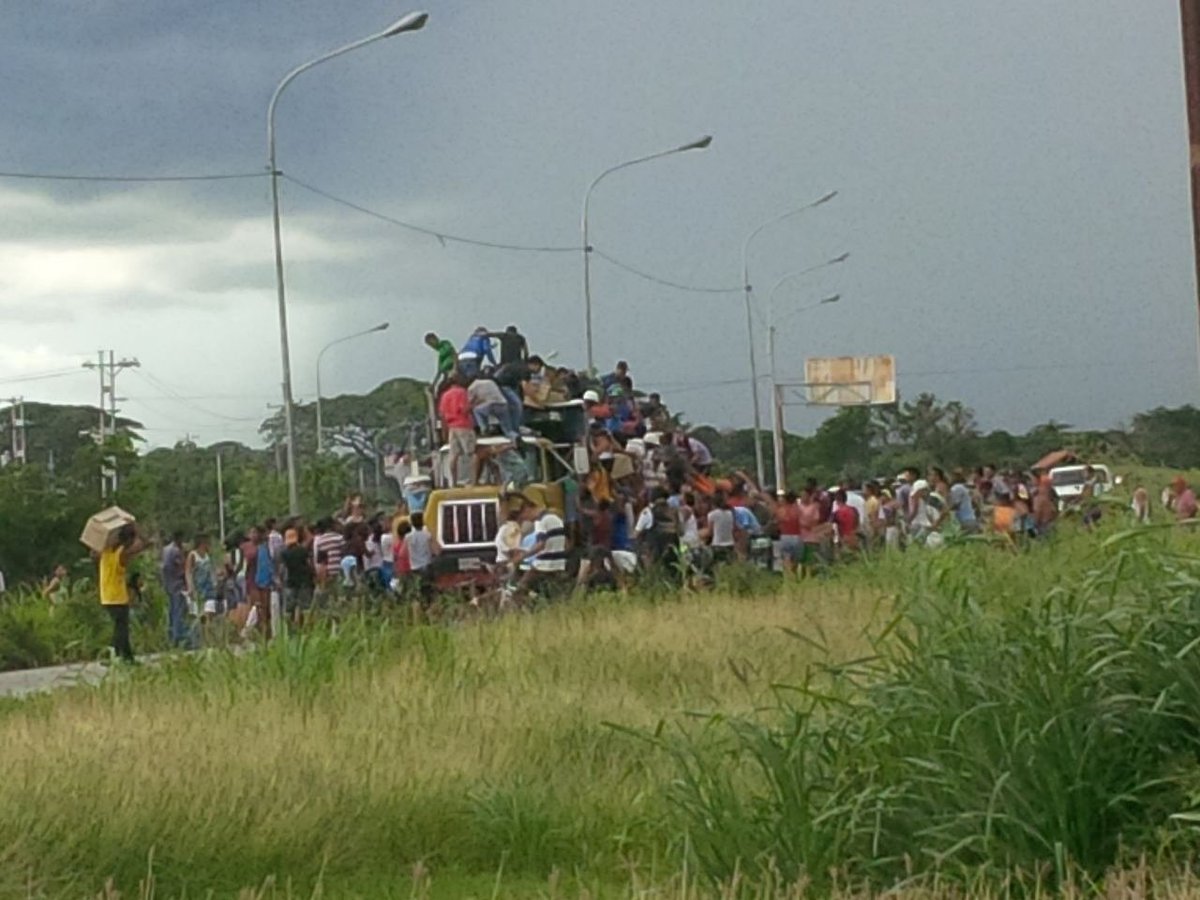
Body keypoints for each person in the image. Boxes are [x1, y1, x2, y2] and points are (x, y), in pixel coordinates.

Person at [99, 524, 144, 663]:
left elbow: (93, 553)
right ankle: (115, 654)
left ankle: (125, 656)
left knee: (120, 626)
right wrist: (136, 530)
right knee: (122, 628)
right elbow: (139, 545)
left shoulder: (105, 551)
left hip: (106, 595)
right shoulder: (121, 554)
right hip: (117, 596)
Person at [438, 375, 476, 486]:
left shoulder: (444, 396)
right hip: (464, 425)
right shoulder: (462, 392)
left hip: (451, 427)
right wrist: (473, 403)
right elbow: (464, 409)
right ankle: (472, 480)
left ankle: (453, 482)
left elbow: (442, 415)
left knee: (453, 456)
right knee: (472, 454)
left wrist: (444, 433)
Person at [161, 531, 192, 648]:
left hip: (169, 585)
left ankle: (171, 637)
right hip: (178, 585)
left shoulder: (165, 550)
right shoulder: (176, 551)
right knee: (179, 612)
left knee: (172, 612)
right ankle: (178, 638)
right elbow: (182, 567)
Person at [468, 374, 518, 440]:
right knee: (508, 430)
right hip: (503, 404)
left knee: (476, 410)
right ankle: (516, 437)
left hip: (490, 405)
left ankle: (484, 429)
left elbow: (470, 403)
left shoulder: (472, 387)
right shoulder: (490, 381)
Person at [281, 527, 315, 623]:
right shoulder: (303, 551)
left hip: (291, 582)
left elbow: (282, 569)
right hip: (304, 581)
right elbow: (309, 564)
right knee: (306, 607)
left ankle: (288, 629)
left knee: (289, 608)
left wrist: (281, 580)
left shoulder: (284, 553)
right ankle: (307, 628)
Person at [185, 535, 218, 618]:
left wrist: (215, 581)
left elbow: (211, 569)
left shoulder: (208, 555)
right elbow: (188, 572)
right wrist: (190, 586)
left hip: (208, 587)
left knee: (209, 613)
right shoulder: (193, 555)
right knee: (197, 615)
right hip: (197, 587)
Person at [704, 492, 737, 565]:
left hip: (718, 545)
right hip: (730, 544)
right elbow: (733, 528)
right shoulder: (730, 513)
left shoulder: (712, 515)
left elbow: (710, 533)